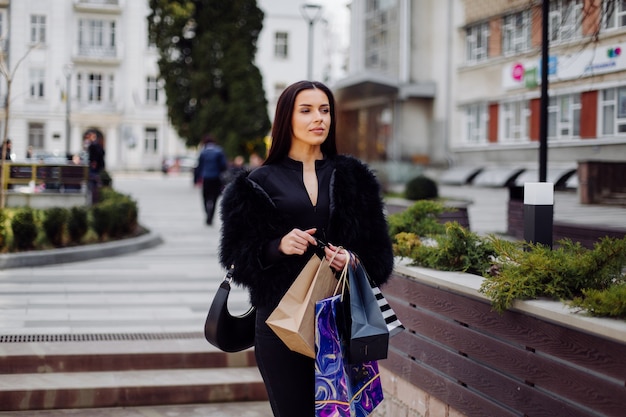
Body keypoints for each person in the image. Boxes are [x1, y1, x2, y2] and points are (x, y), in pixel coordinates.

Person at [218, 80, 394, 416]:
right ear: (287, 118)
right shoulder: (256, 182)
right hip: (280, 323)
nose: (319, 119)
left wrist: (352, 259)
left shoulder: (355, 177)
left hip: (339, 322)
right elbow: (236, 256)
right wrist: (277, 246)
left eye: (325, 110)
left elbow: (380, 254)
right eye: (307, 110)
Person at [196, 134, 227, 225]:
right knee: (214, 198)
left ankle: (207, 213)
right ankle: (211, 217)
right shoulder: (219, 151)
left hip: (206, 178)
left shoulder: (203, 152)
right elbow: (223, 165)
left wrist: (197, 178)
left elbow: (199, 166)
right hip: (216, 178)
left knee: (205, 197)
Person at [85, 130, 105, 204]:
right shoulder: (96, 145)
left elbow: (95, 156)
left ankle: (94, 200)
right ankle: (95, 199)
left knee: (94, 184)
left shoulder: (94, 146)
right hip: (96, 167)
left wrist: (93, 163)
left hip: (94, 168)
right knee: (94, 184)